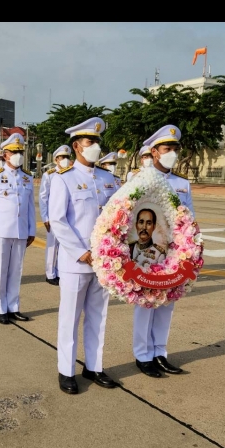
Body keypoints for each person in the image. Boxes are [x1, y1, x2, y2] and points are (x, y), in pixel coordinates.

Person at [48, 116, 119, 394]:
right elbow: (58, 220)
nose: (96, 147)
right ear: (77, 146)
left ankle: (94, 366)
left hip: (104, 261)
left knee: (98, 316)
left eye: (98, 142)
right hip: (76, 262)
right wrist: (81, 252)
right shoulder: (63, 178)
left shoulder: (108, 178)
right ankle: (66, 371)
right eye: (91, 142)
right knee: (70, 318)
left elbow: (117, 217)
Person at [131, 124, 193, 378]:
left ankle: (160, 353)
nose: (172, 154)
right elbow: (129, 216)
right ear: (155, 152)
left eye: (175, 149)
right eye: (167, 149)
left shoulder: (181, 183)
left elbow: (189, 218)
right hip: (145, 252)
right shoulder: (141, 180)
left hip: (173, 254)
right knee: (146, 303)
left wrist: (190, 247)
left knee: (167, 303)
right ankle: (142, 355)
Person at [0, 133, 36, 325]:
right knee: (0, 271)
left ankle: (13, 307)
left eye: (20, 152)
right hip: (1, 232)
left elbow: (30, 206)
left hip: (21, 231)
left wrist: (31, 231)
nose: (18, 155)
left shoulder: (27, 177)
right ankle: (0, 309)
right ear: (5, 155)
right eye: (14, 152)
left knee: (16, 271)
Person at [40, 145, 72, 286]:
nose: (65, 160)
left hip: (68, 215)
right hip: (53, 216)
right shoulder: (50, 174)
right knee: (52, 246)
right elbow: (43, 197)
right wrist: (45, 217)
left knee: (65, 245)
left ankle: (60, 272)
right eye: (62, 157)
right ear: (56, 159)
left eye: (67, 157)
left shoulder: (72, 173)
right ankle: (50, 273)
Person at [128, 207, 167, 271]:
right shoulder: (128, 248)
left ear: (153, 227)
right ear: (136, 225)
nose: (144, 227)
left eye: (149, 223)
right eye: (141, 222)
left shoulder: (159, 254)